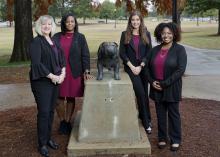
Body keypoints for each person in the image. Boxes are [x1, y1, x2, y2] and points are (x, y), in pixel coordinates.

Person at [146, 22, 187, 151]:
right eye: (163, 33)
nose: (166, 36)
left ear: (174, 34)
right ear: (159, 34)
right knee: (160, 114)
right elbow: (146, 68)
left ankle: (175, 139)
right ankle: (162, 138)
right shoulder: (154, 50)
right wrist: (151, 81)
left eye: (169, 33)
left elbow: (180, 70)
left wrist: (164, 84)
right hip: (156, 87)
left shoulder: (180, 50)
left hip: (171, 87)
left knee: (174, 114)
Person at [29, 15, 66, 157]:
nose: (46, 26)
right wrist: (53, 76)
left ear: (52, 26)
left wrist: (62, 73)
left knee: (51, 111)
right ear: (39, 26)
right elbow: (37, 64)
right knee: (44, 112)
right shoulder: (36, 42)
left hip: (56, 81)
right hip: (42, 82)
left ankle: (48, 138)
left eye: (49, 24)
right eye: (44, 24)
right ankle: (42, 144)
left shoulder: (54, 41)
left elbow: (61, 59)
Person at [53, 13, 93, 135]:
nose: (70, 24)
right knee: (58, 99)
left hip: (74, 71)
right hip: (59, 72)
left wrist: (86, 71)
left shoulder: (80, 37)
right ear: (64, 23)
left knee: (71, 97)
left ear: (75, 23)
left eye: (72, 21)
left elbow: (85, 55)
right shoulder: (56, 36)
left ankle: (68, 121)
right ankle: (62, 122)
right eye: (67, 21)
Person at [119, 11, 152, 134]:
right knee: (140, 94)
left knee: (145, 94)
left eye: (137, 20)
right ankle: (146, 122)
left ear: (141, 21)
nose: (135, 22)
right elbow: (122, 53)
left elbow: (149, 52)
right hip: (131, 68)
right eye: (133, 20)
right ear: (130, 21)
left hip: (143, 68)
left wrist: (142, 65)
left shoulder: (146, 34)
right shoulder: (125, 34)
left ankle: (147, 117)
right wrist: (132, 66)